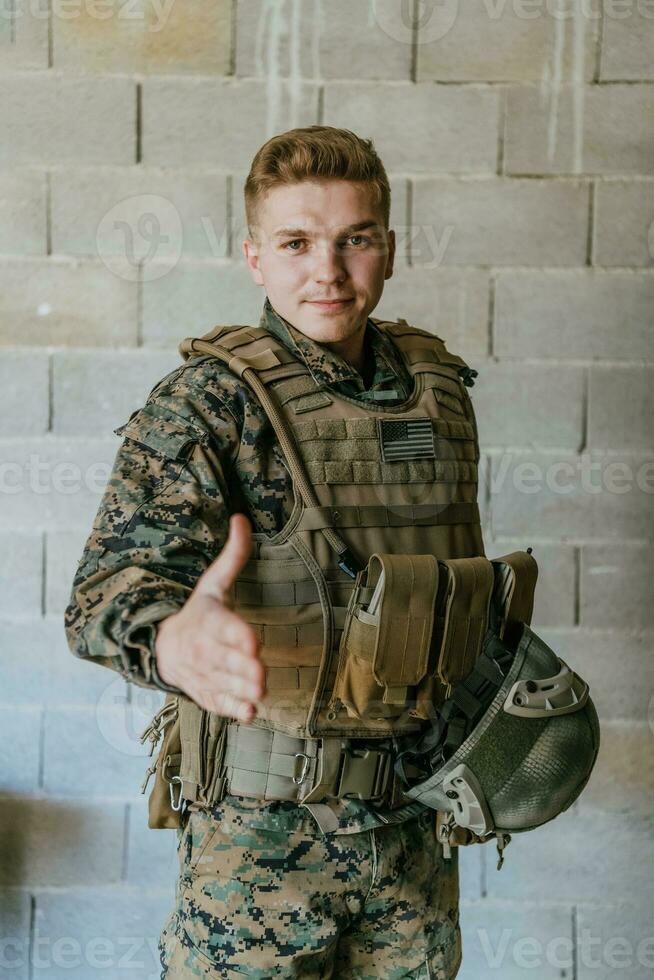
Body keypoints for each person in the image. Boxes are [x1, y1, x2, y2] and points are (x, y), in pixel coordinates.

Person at [65, 125, 483, 978]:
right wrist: (173, 638)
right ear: (255, 257)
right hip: (261, 844)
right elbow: (103, 596)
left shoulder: (436, 392)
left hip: (413, 827)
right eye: (296, 243)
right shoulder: (210, 402)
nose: (326, 270)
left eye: (353, 240)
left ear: (388, 250)